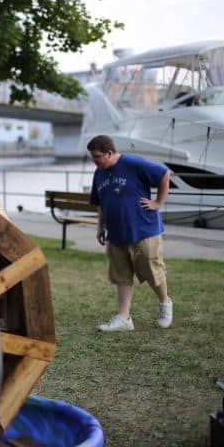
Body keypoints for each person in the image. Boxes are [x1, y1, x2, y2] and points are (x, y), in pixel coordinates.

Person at [88, 135, 173, 332]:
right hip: (116, 234)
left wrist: (158, 203)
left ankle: (165, 304)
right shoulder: (99, 172)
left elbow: (164, 174)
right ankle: (124, 318)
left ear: (109, 153)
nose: (95, 161)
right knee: (122, 276)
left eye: (97, 157)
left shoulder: (133, 163)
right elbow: (101, 202)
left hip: (143, 230)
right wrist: (100, 227)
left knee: (153, 271)